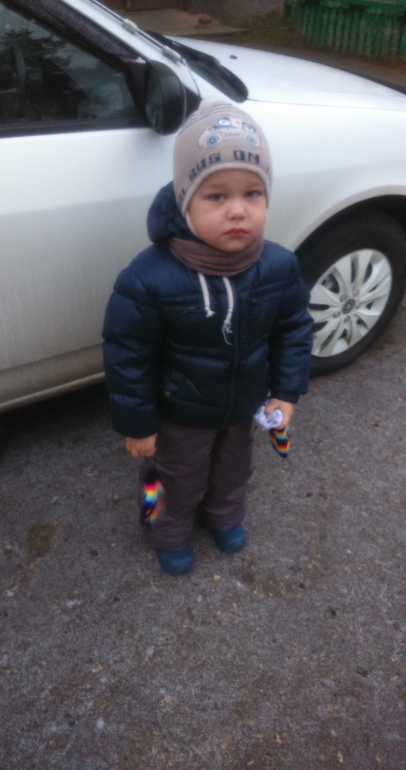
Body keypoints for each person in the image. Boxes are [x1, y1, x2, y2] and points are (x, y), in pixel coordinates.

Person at [102, 100, 313, 576]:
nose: (238, 210)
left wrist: (286, 391)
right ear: (185, 202)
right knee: (171, 476)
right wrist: (138, 424)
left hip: (241, 408)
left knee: (234, 468)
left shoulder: (279, 266)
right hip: (179, 414)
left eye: (252, 193)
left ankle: (224, 514)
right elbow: (127, 355)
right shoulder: (149, 278)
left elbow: (294, 329)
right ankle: (164, 529)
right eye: (216, 196)